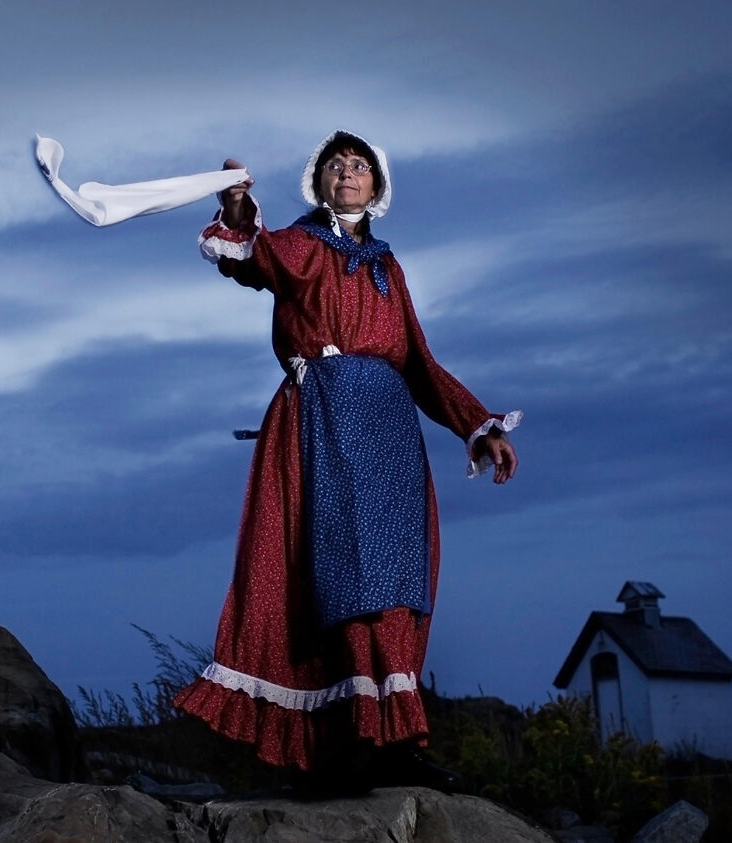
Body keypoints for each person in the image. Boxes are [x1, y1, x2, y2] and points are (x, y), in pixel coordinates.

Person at [173, 130, 519, 791]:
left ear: (377, 185)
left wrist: (477, 427)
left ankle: (396, 742)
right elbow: (256, 260)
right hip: (326, 422)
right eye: (336, 165)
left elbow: (418, 361)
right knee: (347, 575)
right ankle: (352, 739)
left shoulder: (390, 267)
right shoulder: (303, 243)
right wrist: (242, 208)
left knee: (396, 578)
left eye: (359, 165)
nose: (347, 173)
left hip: (389, 432)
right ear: (320, 180)